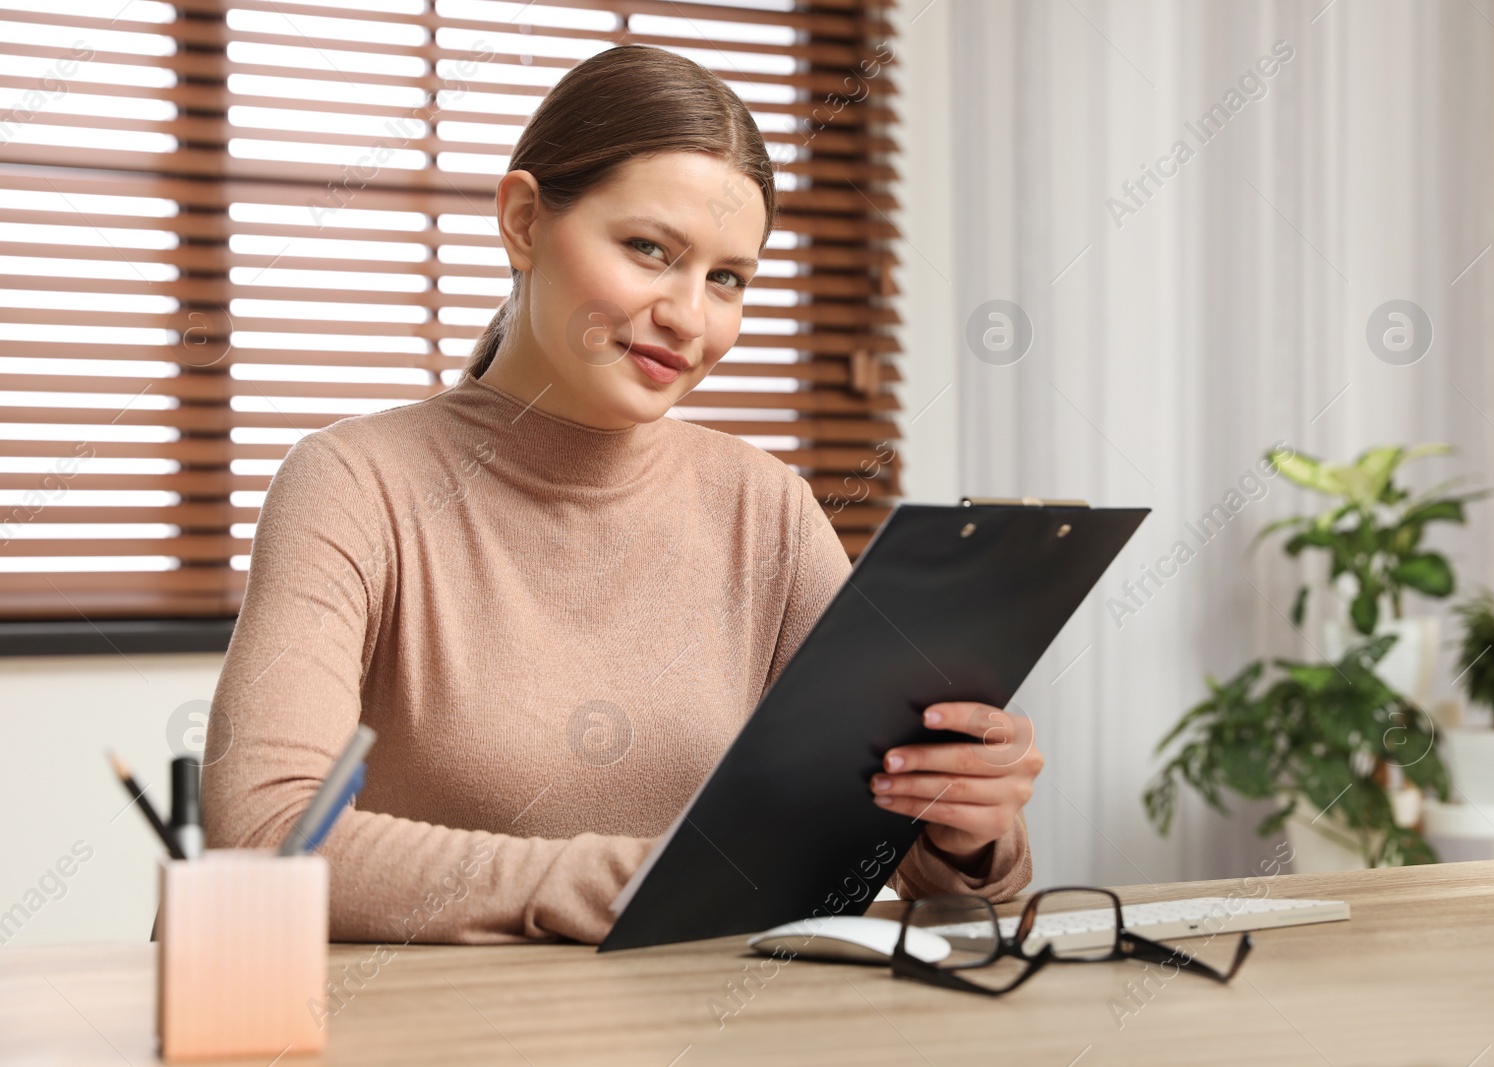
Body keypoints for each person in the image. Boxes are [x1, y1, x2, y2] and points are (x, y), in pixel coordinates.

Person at [202, 45, 1040, 945]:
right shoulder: (354, 484)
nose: (689, 315)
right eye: (650, 249)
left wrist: (966, 832)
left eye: (727, 278)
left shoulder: (768, 509)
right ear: (524, 220)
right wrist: (653, 881)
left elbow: (893, 867)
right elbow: (266, 837)